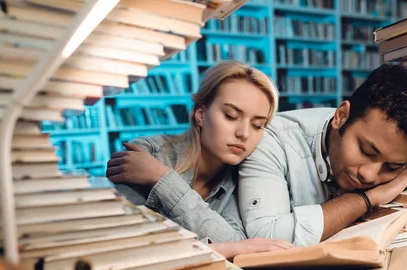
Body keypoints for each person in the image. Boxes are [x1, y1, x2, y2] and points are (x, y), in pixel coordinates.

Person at [105, 61, 294, 259]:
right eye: (230, 116)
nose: (244, 133)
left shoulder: (244, 176)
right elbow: (129, 250)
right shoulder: (147, 154)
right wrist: (226, 249)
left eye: (257, 125)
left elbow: (235, 242)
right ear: (201, 114)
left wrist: (163, 180)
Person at [238, 63, 407, 247]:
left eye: (392, 168)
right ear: (341, 116)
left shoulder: (406, 148)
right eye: (366, 151)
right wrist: (366, 199)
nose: (368, 175)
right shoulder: (272, 139)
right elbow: (264, 237)